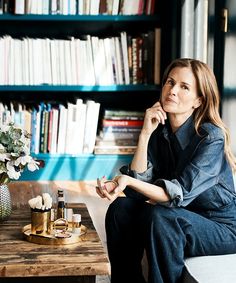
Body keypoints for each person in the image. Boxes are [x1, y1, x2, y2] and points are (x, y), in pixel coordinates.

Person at [96, 58, 236, 283]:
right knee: (120, 209)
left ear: (198, 101)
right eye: (170, 82)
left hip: (220, 227)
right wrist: (144, 134)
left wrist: (127, 181)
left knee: (162, 216)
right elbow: (138, 191)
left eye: (184, 87)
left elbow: (174, 195)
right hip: (181, 215)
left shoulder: (211, 139)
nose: (173, 90)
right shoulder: (161, 131)